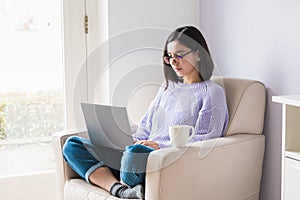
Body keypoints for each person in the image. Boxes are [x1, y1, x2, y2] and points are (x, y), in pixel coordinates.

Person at [63, 25, 229, 199]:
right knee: (72, 145)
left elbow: (207, 137)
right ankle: (121, 190)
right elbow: (146, 125)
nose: (174, 62)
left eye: (180, 55)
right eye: (170, 56)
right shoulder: (167, 89)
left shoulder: (212, 92)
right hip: (134, 156)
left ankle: (124, 179)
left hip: (159, 158)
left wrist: (160, 146)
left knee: (134, 154)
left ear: (199, 53)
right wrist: (131, 139)